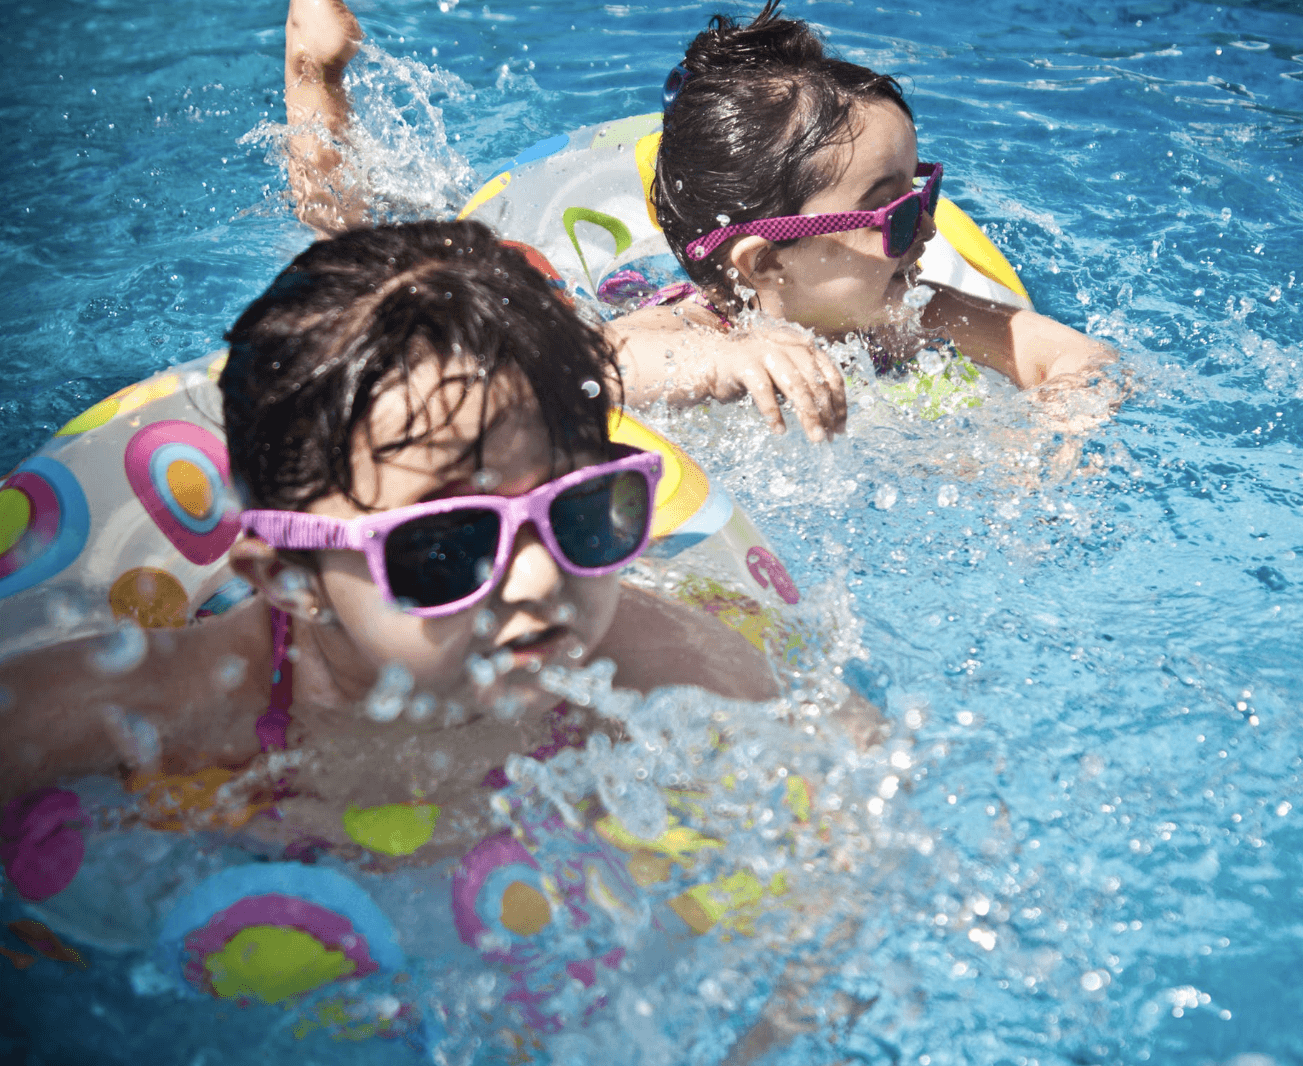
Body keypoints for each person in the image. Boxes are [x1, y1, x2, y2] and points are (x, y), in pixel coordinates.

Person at [0, 220, 779, 859]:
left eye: (578, 510)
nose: (541, 579)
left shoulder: (653, 664)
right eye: (447, 545)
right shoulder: (182, 705)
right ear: (289, 578)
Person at [280, 0, 1119, 444]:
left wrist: (1059, 427)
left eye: (923, 196)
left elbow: (1070, 355)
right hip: (599, 296)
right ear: (761, 266)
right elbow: (588, 372)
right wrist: (722, 357)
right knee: (366, 264)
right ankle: (315, 70)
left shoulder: (915, 312)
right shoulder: (691, 322)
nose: (926, 234)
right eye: (893, 218)